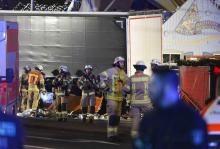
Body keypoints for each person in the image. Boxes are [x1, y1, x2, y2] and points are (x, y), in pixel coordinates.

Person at [133, 69, 208, 149]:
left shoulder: (192, 119)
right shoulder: (149, 117)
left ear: (167, 86)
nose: (149, 90)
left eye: (154, 85)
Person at [99, 56, 128, 142]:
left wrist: (125, 91)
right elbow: (100, 77)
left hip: (120, 98)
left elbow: (127, 84)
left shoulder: (123, 73)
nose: (123, 64)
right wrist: (105, 88)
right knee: (112, 116)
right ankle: (110, 135)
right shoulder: (110, 71)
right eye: (121, 62)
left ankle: (115, 134)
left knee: (117, 118)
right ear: (116, 63)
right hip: (112, 98)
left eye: (123, 62)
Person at [123, 61, 153, 138]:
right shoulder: (148, 78)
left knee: (136, 119)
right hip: (146, 102)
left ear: (136, 68)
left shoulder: (131, 78)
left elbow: (126, 90)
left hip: (134, 103)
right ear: (143, 69)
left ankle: (134, 135)